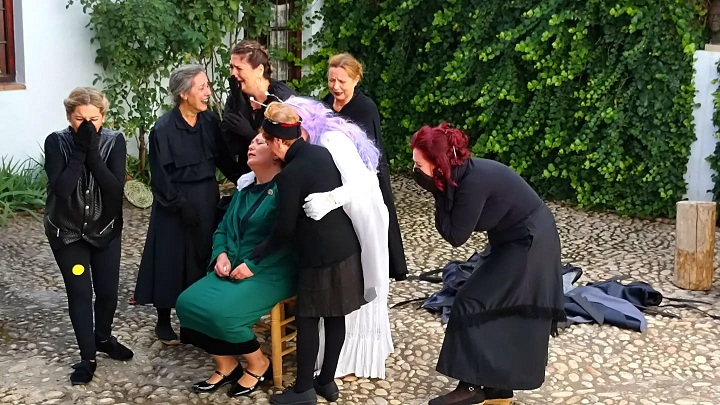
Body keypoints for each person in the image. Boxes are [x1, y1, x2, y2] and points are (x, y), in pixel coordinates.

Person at [410, 123, 566, 405]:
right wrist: (438, 186)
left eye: (419, 165)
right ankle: (498, 388)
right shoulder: (458, 177)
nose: (414, 170)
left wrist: (435, 190)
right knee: (495, 304)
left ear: (439, 165)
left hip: (530, 242)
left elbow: (455, 235)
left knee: (472, 300)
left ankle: (470, 388)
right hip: (511, 241)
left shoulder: (472, 183)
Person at [246, 102, 366, 405]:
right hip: (346, 248)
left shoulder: (290, 175)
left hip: (318, 256)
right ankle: (326, 382)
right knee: (336, 317)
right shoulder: (321, 154)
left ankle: (303, 390)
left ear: (278, 142)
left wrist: (257, 254)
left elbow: (284, 230)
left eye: (267, 142)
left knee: (308, 319)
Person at [175, 134, 296, 397]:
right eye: (252, 142)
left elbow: (287, 240)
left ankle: (259, 363)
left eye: (260, 143)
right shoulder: (244, 190)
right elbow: (223, 229)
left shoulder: (285, 190)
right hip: (233, 266)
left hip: (271, 271)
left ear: (277, 153)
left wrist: (252, 265)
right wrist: (221, 255)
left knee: (224, 316)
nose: (252, 145)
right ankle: (227, 365)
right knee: (186, 304)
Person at [285, 96, 394, 379]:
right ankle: (328, 367)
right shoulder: (311, 145)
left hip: (359, 218)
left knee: (352, 295)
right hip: (339, 224)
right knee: (337, 305)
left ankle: (349, 361)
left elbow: (365, 182)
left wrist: (331, 199)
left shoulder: (331, 140)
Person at [134, 64, 230, 344]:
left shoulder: (209, 121)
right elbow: (160, 177)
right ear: (184, 94)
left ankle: (194, 320)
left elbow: (223, 159)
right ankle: (163, 321)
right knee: (170, 259)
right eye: (202, 87)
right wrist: (179, 204)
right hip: (173, 202)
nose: (208, 92)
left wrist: (249, 179)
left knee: (201, 257)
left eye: (207, 86)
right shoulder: (163, 129)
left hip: (206, 198)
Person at [43, 87, 133, 385]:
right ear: (69, 117)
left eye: (94, 120)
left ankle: (103, 338)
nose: (87, 126)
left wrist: (93, 154)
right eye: (80, 119)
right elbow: (62, 188)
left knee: (107, 292)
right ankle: (87, 357)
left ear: (103, 117)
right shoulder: (56, 142)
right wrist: (80, 152)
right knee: (80, 293)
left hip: (104, 229)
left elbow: (114, 189)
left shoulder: (114, 141)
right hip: (67, 232)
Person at [322, 53, 408, 282]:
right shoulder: (325, 103)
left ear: (356, 80)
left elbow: (368, 150)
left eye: (342, 81)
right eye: (332, 80)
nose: (335, 86)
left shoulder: (365, 108)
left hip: (363, 174)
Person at [220, 39, 297, 182]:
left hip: (279, 179)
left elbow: (285, 147)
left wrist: (250, 134)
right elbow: (230, 145)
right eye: (231, 67)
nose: (233, 74)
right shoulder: (236, 97)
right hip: (248, 177)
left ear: (259, 70)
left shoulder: (281, 99)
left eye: (239, 68)